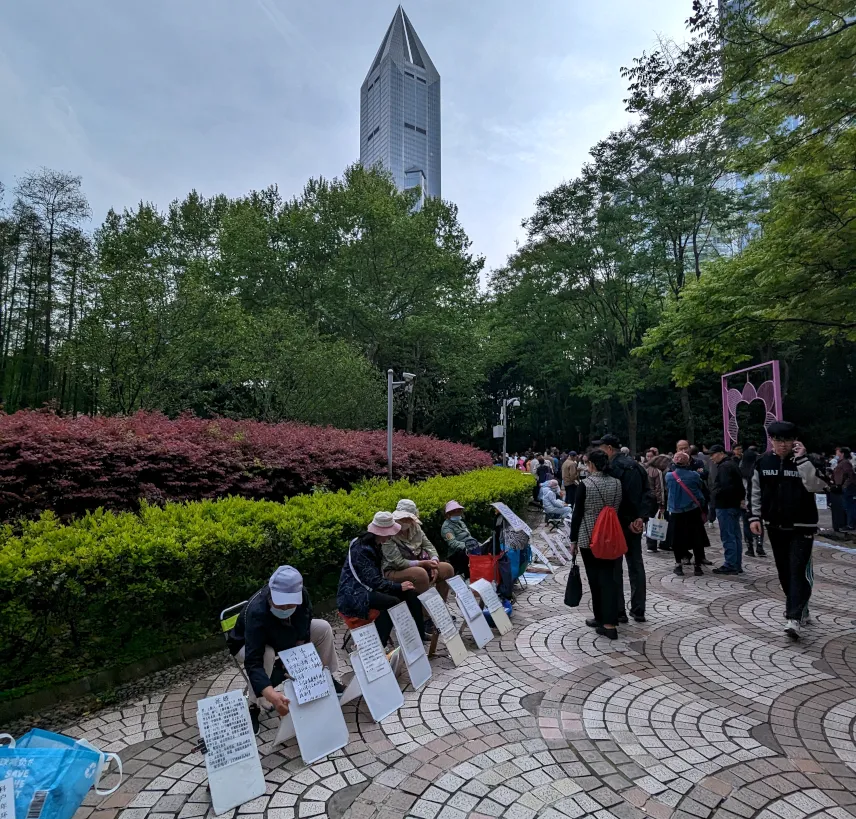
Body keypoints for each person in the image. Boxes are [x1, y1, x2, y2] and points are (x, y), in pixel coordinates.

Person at [229, 566, 341, 734]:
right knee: (267, 654)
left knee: (323, 628)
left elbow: (304, 625)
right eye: (280, 604)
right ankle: (253, 705)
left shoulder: (302, 595)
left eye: (290, 604)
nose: (285, 608)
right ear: (271, 594)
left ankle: (324, 677)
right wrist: (272, 696)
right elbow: (253, 661)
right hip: (245, 644)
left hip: (280, 637)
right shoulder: (256, 612)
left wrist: (296, 659)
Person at [749, 421, 828, 639]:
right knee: (784, 571)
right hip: (775, 525)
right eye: (777, 440)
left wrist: (802, 460)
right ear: (771, 441)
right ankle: (799, 607)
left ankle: (793, 617)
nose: (782, 445)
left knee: (797, 569)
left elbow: (817, 486)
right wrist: (754, 517)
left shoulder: (807, 460)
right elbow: (755, 490)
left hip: (803, 525)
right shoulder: (763, 462)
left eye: (786, 441)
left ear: (794, 440)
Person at [338, 511, 426, 646]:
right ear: (380, 532)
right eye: (389, 533)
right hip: (355, 593)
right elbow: (373, 581)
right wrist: (398, 586)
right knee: (392, 602)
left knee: (411, 593)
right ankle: (377, 646)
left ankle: (418, 638)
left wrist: (400, 587)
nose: (391, 536)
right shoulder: (362, 548)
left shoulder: (376, 543)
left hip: (369, 588)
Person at [599, 434, 656, 623]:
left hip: (618, 524)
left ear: (608, 448)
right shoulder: (639, 467)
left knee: (615, 567)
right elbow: (648, 494)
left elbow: (614, 499)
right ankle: (639, 609)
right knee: (636, 565)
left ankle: (619, 610)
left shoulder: (611, 468)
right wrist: (641, 518)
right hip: (636, 524)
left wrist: (630, 519)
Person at [569, 449, 623, 640]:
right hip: (612, 535)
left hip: (589, 537)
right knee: (609, 577)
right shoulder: (617, 483)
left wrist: (573, 540)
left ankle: (605, 621)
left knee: (595, 578)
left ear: (591, 464)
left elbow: (577, 514)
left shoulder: (586, 484)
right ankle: (606, 619)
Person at [384, 499, 454, 598]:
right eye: (403, 518)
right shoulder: (388, 533)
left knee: (447, 568)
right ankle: (424, 612)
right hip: (395, 570)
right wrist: (422, 564)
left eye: (409, 518)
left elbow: (428, 545)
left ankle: (440, 607)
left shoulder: (415, 527)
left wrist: (434, 561)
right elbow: (398, 562)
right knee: (420, 573)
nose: (406, 521)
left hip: (421, 563)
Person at [666, 451, 709, 576]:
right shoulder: (694, 475)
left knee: (676, 539)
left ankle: (678, 564)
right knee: (696, 538)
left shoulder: (669, 476)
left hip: (675, 512)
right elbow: (699, 492)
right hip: (692, 511)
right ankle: (697, 566)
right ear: (688, 462)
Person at [708, 445, 746, 574]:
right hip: (734, 505)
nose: (711, 458)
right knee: (735, 536)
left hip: (725, 505)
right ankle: (736, 564)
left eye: (713, 455)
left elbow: (724, 487)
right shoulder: (732, 464)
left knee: (728, 536)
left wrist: (714, 494)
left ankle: (730, 564)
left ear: (720, 453)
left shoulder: (725, 467)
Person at [441, 500, 478, 577]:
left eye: (459, 511)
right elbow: (452, 543)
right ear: (449, 514)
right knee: (465, 554)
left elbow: (468, 536)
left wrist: (476, 544)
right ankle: (468, 576)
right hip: (457, 553)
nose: (458, 513)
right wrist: (466, 546)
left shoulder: (461, 522)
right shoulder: (446, 527)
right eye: (455, 511)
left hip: (470, 547)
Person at [740, 447, 766, 556]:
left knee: (747, 524)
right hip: (757, 502)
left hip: (744, 502)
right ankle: (759, 546)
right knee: (758, 522)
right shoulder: (758, 470)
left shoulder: (741, 471)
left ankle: (749, 547)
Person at [645, 452, 671, 552]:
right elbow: (659, 488)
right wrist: (662, 504)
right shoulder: (657, 472)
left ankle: (650, 545)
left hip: (646, 499)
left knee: (649, 522)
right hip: (654, 500)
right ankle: (661, 543)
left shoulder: (646, 469)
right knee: (658, 521)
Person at [832, 447, 856, 531]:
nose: (836, 454)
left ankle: (851, 525)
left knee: (849, 506)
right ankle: (850, 524)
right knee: (847, 506)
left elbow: (850, 475)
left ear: (842, 453)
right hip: (844, 487)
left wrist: (845, 485)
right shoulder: (842, 462)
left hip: (848, 488)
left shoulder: (845, 463)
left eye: (837, 452)